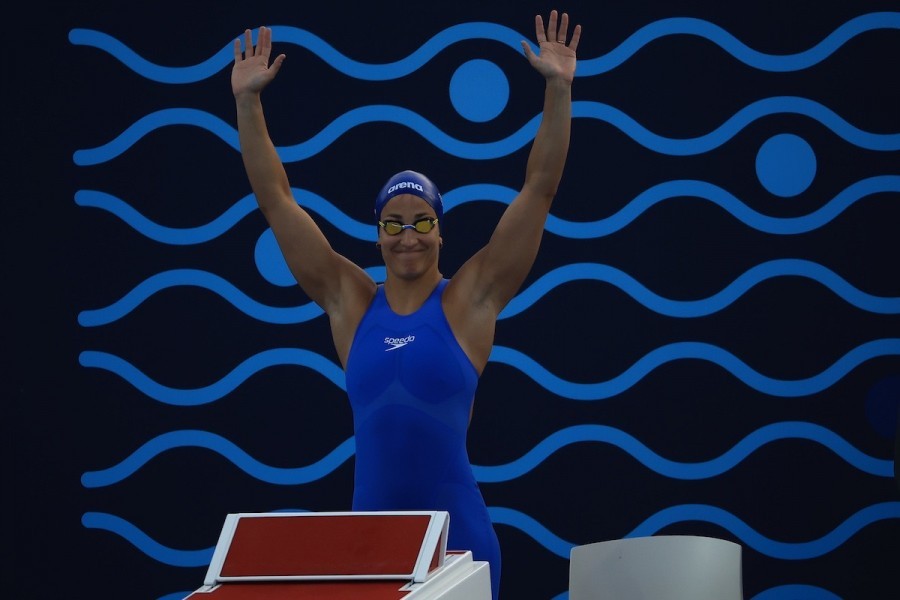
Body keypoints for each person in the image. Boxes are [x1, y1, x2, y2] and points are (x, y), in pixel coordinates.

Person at [231, 11, 581, 599]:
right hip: (370, 550)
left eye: (422, 221)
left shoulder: (471, 300)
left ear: (440, 231)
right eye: (393, 223)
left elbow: (539, 187)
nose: (408, 235)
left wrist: (558, 89)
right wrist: (247, 103)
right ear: (378, 234)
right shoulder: (349, 304)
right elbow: (276, 200)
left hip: (459, 544)